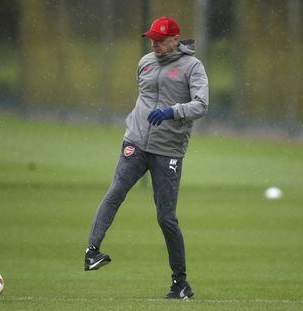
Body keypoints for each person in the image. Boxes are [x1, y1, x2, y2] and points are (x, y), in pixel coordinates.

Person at [84, 16, 209, 300]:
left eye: (160, 40)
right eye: (151, 39)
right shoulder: (145, 62)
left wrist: (171, 112)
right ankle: (92, 251)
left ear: (175, 40)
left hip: (168, 150)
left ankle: (180, 284)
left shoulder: (193, 67)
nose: (154, 44)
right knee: (116, 191)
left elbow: (201, 105)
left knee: (166, 218)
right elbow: (143, 100)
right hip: (136, 143)